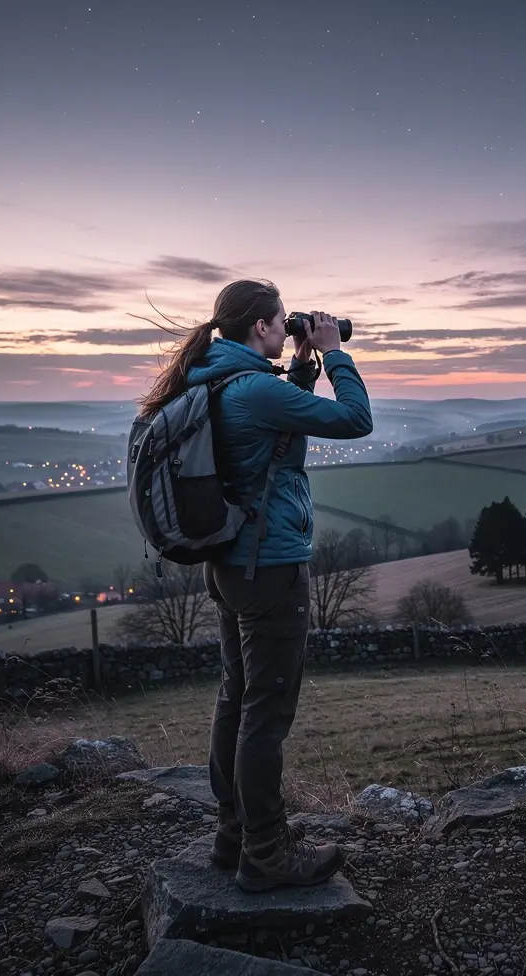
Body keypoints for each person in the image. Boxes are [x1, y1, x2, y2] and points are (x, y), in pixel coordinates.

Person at [138, 278, 372, 892]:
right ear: (259, 329)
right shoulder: (251, 390)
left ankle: (233, 835)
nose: (286, 327)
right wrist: (336, 354)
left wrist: (299, 371)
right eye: (279, 321)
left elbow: (266, 434)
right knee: (265, 717)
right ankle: (266, 854)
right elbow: (355, 420)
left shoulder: (215, 377)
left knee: (236, 701)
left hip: (229, 563)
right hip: (269, 568)